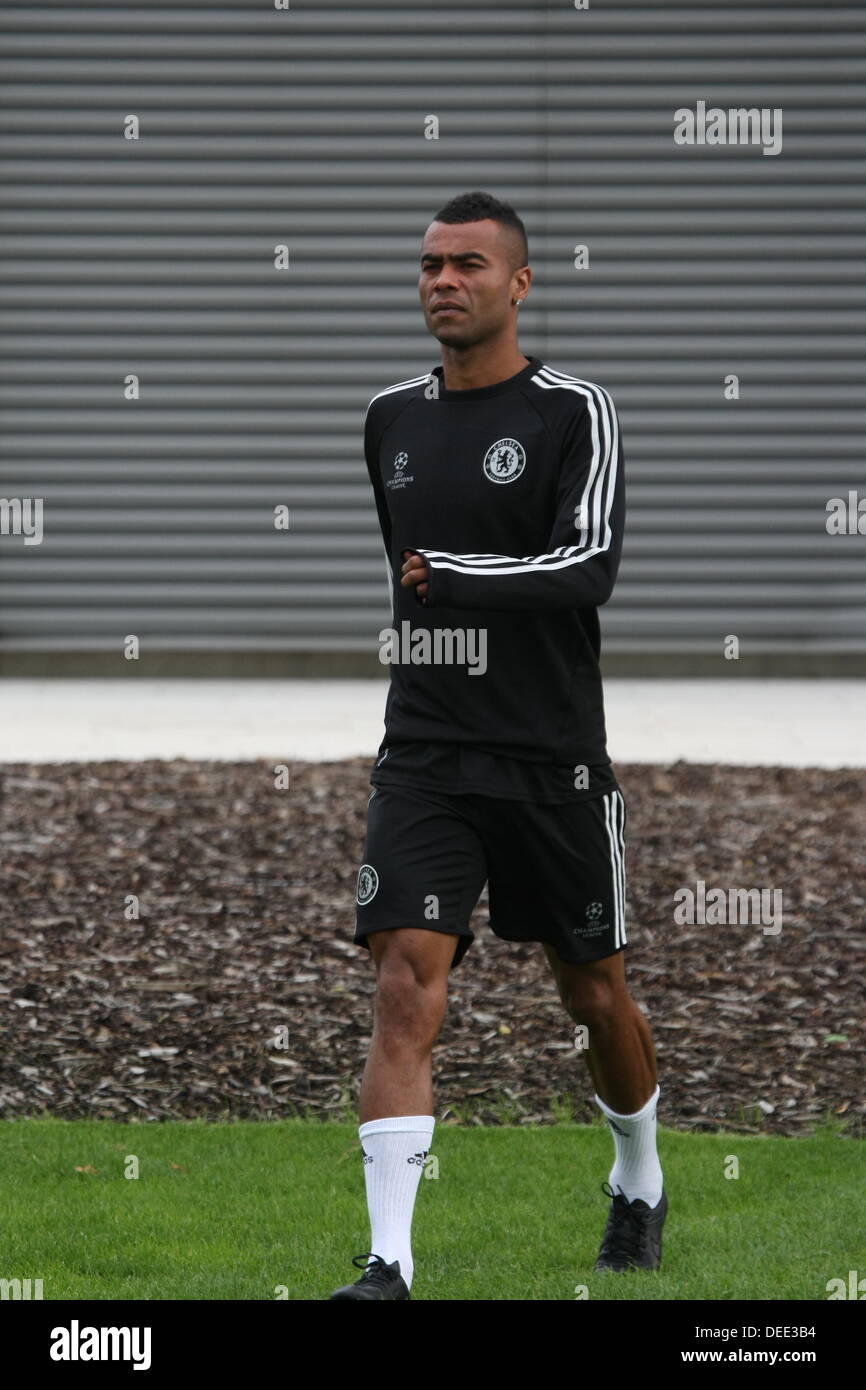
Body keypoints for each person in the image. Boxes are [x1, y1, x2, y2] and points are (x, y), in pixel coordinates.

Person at [328, 190, 666, 1301]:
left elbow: (588, 566)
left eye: (467, 265)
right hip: (424, 749)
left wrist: (462, 577)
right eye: (428, 266)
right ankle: (388, 1261)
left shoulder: (576, 411)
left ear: (518, 284)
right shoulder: (388, 417)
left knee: (595, 994)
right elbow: (408, 580)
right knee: (402, 981)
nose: (441, 282)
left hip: (550, 760)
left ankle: (637, 1174)